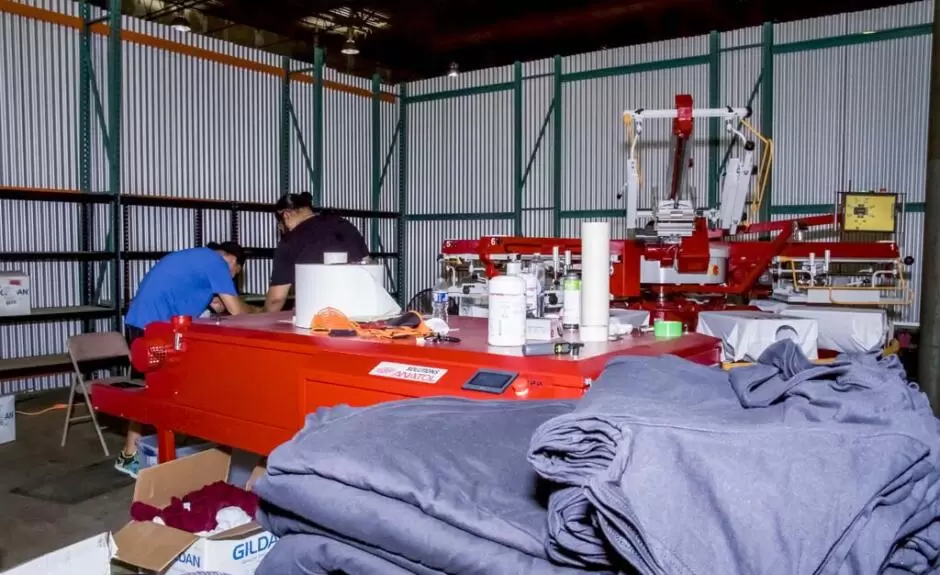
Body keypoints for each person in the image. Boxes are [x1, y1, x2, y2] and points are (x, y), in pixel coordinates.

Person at [116, 241, 252, 478]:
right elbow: (238, 312)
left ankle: (142, 451)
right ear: (233, 261)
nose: (229, 279)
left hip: (143, 323)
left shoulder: (196, 258)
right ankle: (132, 455)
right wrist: (260, 313)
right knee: (155, 392)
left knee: (157, 390)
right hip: (155, 330)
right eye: (234, 274)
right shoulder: (217, 263)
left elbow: (203, 302)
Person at [263, 192, 371, 313]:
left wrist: (261, 315)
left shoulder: (290, 241)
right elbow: (368, 263)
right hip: (362, 310)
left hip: (319, 317)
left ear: (286, 215)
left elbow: (276, 300)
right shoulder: (345, 225)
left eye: (281, 226)